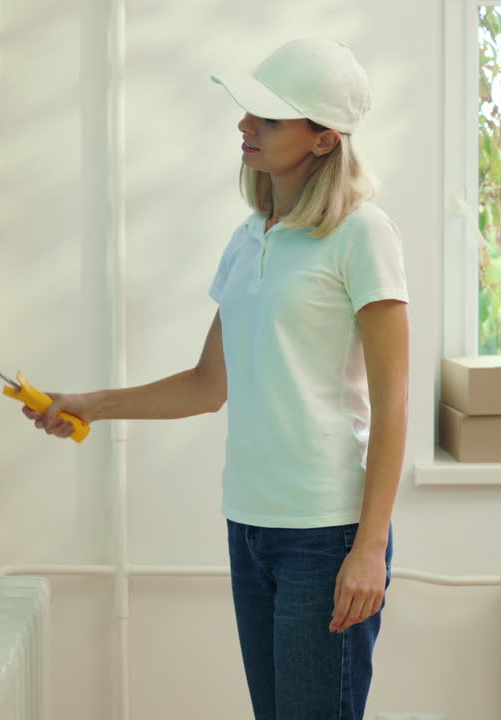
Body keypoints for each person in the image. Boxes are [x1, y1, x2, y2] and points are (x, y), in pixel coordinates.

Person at [23, 37, 410, 720]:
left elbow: (394, 399)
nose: (245, 126)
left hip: (326, 533)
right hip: (249, 524)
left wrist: (370, 547)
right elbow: (208, 384)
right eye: (247, 112)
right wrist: (88, 404)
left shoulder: (361, 235)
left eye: (269, 118)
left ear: (324, 141)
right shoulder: (249, 239)